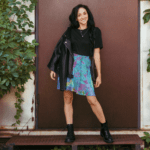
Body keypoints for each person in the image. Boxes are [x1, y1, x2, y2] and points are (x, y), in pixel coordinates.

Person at [48, 4, 114, 143]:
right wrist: (54, 67)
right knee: (67, 98)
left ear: (88, 14)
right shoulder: (70, 31)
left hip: (84, 68)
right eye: (79, 15)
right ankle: (70, 132)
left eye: (84, 13)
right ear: (76, 18)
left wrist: (99, 75)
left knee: (92, 99)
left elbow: (96, 55)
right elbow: (59, 49)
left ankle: (104, 128)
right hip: (68, 67)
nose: (82, 16)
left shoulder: (95, 31)